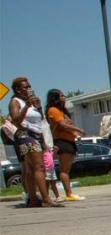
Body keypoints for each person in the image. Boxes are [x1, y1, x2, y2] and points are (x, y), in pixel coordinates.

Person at [6, 77, 58, 207]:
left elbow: (40, 121)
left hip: (37, 135)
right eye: (26, 87)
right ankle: (46, 199)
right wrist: (27, 106)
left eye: (29, 86)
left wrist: (39, 108)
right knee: (39, 167)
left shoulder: (30, 103)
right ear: (18, 89)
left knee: (30, 169)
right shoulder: (15, 102)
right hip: (25, 135)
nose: (29, 89)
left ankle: (34, 200)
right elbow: (16, 120)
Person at [46, 89, 85, 201]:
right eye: (62, 96)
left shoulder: (62, 111)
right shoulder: (53, 110)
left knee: (66, 169)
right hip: (62, 141)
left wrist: (72, 127)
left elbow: (68, 123)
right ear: (56, 98)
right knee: (64, 170)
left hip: (69, 141)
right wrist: (79, 129)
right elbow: (63, 125)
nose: (64, 97)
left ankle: (67, 194)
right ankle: (69, 194)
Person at [40, 109, 64, 202]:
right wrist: (44, 146)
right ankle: (46, 197)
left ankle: (56, 196)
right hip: (45, 156)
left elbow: (48, 135)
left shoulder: (45, 124)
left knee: (52, 179)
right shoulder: (39, 125)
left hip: (49, 154)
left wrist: (53, 148)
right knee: (47, 180)